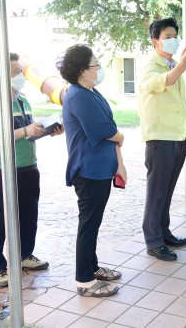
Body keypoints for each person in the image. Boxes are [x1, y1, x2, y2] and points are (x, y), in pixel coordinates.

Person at [0, 53, 60, 288]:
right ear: (0, 74)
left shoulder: (21, 99)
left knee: (28, 214)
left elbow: (25, 133)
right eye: (14, 72)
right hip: (1, 169)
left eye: (20, 71)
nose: (20, 76)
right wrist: (25, 132)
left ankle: (24, 255)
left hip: (27, 166)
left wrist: (47, 130)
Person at [59, 44, 126, 297]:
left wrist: (117, 146)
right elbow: (103, 130)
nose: (99, 69)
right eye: (95, 65)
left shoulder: (90, 91)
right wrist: (118, 136)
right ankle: (84, 280)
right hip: (87, 170)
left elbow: (108, 124)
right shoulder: (78, 96)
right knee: (88, 223)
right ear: (82, 70)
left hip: (99, 167)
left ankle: (92, 267)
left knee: (93, 222)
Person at [138, 18, 186, 261]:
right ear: (155, 41)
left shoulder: (171, 64)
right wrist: (181, 66)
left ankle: (163, 231)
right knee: (157, 191)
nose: (173, 40)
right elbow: (161, 84)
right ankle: (153, 240)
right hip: (159, 136)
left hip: (177, 135)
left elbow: (180, 103)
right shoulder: (150, 65)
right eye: (168, 36)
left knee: (168, 189)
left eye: (175, 36)